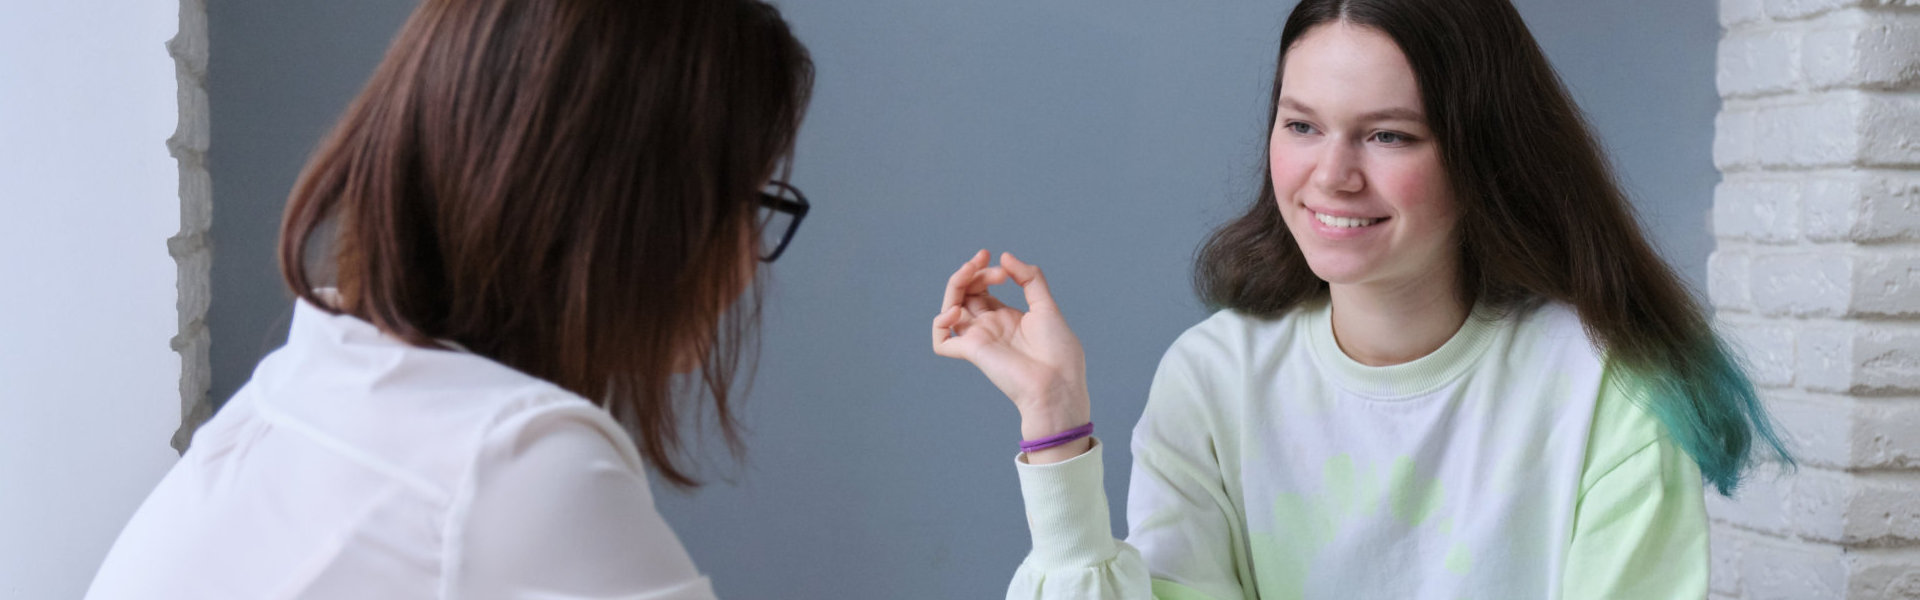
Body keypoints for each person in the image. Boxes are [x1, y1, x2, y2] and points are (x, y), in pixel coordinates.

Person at [932, 0, 1789, 598]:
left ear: (1482, 153)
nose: (1332, 176)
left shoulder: (1612, 388)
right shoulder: (1212, 382)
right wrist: (1056, 425)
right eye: (1302, 125)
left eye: (1388, 135)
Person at [86, 0, 812, 597]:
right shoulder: (512, 468)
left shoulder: (309, 391)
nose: (750, 254)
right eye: (741, 202)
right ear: (618, 203)